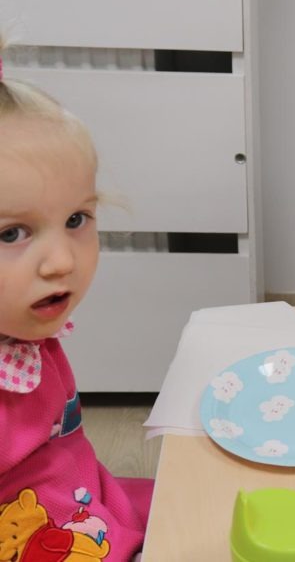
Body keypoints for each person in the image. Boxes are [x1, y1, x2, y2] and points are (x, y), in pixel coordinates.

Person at [0, 40, 152, 561]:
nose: (62, 261)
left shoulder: (21, 330)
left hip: (82, 491)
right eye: (11, 234)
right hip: (32, 536)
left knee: (198, 497)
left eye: (75, 220)